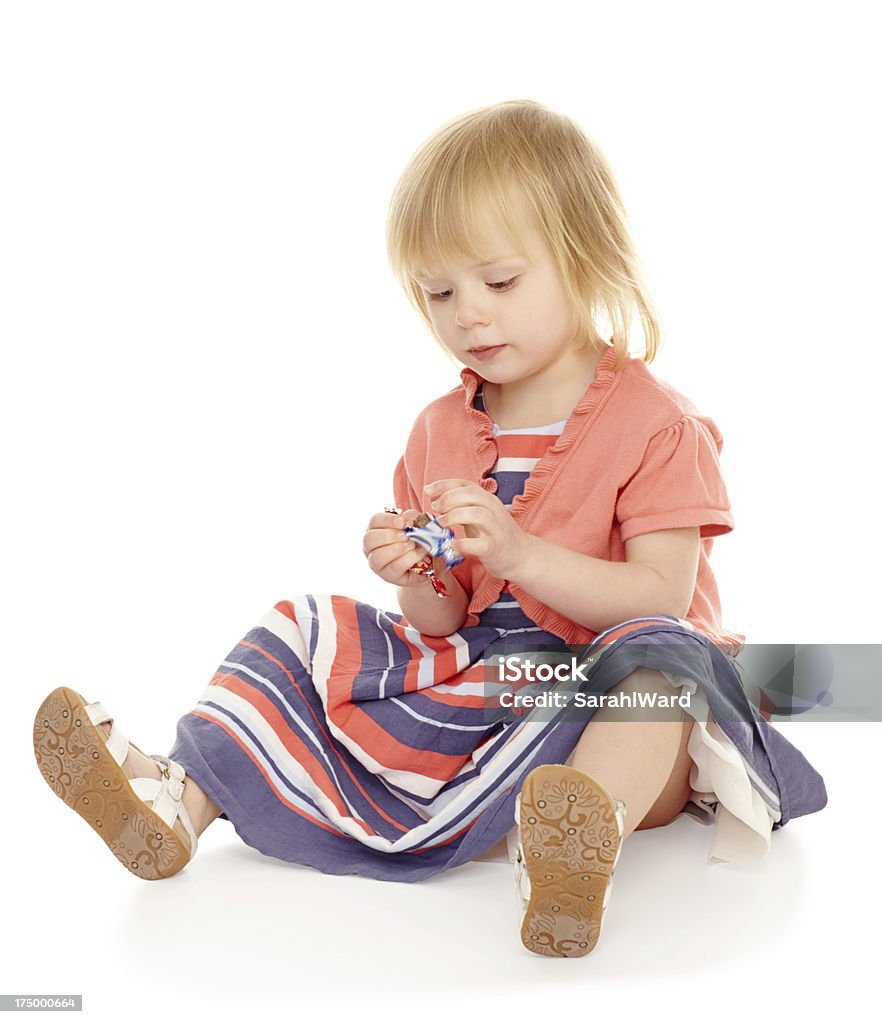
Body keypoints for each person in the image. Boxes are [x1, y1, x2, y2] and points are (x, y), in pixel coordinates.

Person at [32, 99, 827, 959]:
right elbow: (442, 623)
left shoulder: (657, 425)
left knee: (663, 666)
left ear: (586, 257)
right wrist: (416, 577)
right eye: (439, 292)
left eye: (499, 282)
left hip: (603, 696)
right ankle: (175, 802)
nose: (467, 315)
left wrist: (521, 552)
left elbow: (661, 596)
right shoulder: (439, 429)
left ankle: (572, 840)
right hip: (489, 691)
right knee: (304, 624)